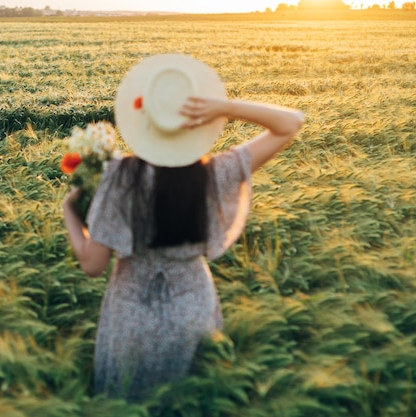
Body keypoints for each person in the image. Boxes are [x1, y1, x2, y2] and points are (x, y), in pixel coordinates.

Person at [62, 54, 304, 400]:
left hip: (131, 312)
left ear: (142, 123)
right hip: (191, 308)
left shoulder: (119, 177)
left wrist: (70, 212)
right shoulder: (218, 173)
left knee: (127, 399)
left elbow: (92, 264)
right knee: (190, 400)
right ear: (198, 124)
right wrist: (223, 106)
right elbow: (291, 122)